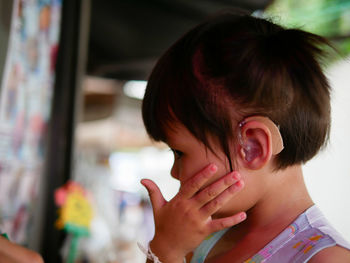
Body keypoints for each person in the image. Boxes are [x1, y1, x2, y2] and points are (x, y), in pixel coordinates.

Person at [139, 11, 350, 263]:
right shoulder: (202, 236)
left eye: (180, 153)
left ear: (252, 146)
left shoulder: (326, 259)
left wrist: (170, 252)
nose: (175, 172)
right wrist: (165, 250)